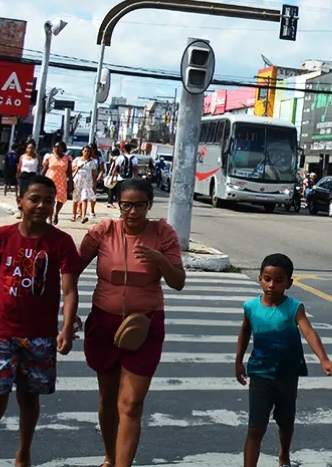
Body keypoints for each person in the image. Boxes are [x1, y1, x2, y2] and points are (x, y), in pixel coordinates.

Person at [0, 174, 80, 467]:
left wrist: (66, 327)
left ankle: (23, 451)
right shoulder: (0, 237)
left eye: (48, 201)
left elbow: (69, 290)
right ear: (20, 201)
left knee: (29, 399)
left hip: (40, 336)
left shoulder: (62, 242)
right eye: (34, 199)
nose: (42, 206)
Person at [77, 177, 185, 467]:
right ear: (118, 205)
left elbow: (178, 282)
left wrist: (159, 259)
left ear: (149, 205)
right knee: (108, 400)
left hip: (145, 326)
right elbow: (71, 270)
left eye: (140, 205)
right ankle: (110, 457)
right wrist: (67, 311)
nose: (133, 212)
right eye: (127, 205)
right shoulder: (103, 231)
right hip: (103, 323)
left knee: (132, 403)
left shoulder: (163, 234)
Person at [236, 253, 332, 467]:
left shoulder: (294, 308)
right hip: (260, 374)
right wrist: (238, 360)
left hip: (287, 375)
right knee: (255, 427)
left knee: (285, 421)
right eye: (267, 279)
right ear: (259, 279)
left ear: (289, 283)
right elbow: (245, 331)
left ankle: (284, 454)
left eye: (279, 280)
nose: (271, 285)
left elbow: (309, 332)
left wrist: (324, 359)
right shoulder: (250, 307)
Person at [42, 141, 73, 225]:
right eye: (55, 146)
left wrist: (71, 183)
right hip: (50, 180)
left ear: (63, 148)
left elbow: (69, 172)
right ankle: (50, 217)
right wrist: (40, 180)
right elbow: (44, 170)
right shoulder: (50, 157)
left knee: (61, 199)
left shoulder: (67, 158)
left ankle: (56, 213)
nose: (56, 148)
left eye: (58, 147)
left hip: (62, 181)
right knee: (51, 199)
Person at [71, 145, 98, 224]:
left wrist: (94, 184)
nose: (86, 152)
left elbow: (93, 173)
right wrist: (76, 168)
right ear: (82, 151)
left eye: (88, 151)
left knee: (85, 198)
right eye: (85, 151)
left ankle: (83, 216)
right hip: (77, 181)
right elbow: (71, 169)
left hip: (87, 182)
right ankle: (74, 215)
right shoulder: (77, 160)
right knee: (76, 198)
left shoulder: (91, 162)